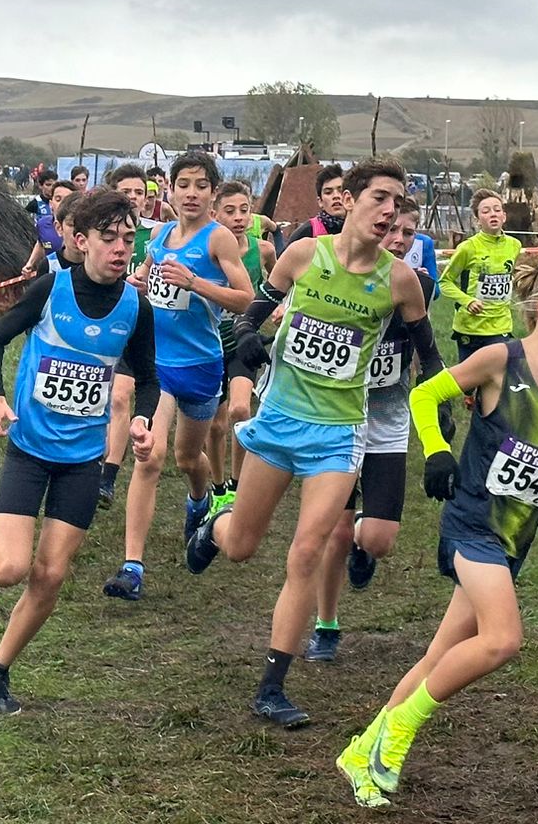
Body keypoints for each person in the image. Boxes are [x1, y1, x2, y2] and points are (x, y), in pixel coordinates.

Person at [335, 259, 538, 808]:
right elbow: (425, 396)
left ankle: (361, 750)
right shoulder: (499, 359)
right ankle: (397, 736)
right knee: (502, 640)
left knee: (440, 655)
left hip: (516, 534)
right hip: (472, 523)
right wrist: (438, 452)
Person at [185, 158, 442, 729]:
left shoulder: (401, 281)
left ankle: (272, 687)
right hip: (280, 422)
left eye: (397, 202)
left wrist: (441, 407)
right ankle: (215, 526)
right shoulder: (304, 255)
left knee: (306, 552)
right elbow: (255, 311)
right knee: (242, 546)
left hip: (339, 433)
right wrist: (247, 339)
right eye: (379, 198)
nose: (389, 211)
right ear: (349, 201)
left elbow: (428, 352)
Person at [0, 189, 159, 715]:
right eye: (109, 238)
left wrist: (142, 419)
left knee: (51, 575)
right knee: (7, 571)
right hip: (30, 450)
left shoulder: (136, 307)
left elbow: (150, 378)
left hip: (82, 461)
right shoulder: (51, 288)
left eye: (128, 239)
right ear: (81, 241)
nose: (120, 249)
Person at [101, 153, 255, 602]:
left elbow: (246, 299)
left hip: (202, 366)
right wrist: (137, 284)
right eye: (183, 184)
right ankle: (132, 566)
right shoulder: (161, 235)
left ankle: (199, 499)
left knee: (190, 459)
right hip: (159, 365)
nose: (191, 193)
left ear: (213, 192)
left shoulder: (218, 238)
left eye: (201, 185)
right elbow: (146, 278)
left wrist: (195, 283)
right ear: (168, 189)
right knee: (150, 456)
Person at [307, 196, 431, 663]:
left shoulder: (417, 284)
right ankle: (326, 625)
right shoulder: (337, 276)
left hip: (387, 420)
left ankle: (364, 538)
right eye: (391, 229)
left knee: (378, 540)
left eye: (407, 233)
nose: (397, 239)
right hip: (337, 418)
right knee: (334, 532)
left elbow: (425, 349)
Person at [210, 180, 276, 502]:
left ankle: (237, 485)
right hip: (209, 344)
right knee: (215, 424)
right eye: (230, 211)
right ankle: (217, 487)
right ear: (215, 214)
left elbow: (282, 283)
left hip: (242, 343)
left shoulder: (263, 250)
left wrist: (282, 307)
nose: (238, 217)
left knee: (239, 409)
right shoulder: (206, 249)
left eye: (244, 210)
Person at [98, 165, 157, 510]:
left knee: (121, 396)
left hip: (144, 327)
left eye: (139, 192)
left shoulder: (158, 235)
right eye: (126, 191)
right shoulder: (101, 233)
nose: (133, 197)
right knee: (105, 397)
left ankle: (107, 477)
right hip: (106, 325)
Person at [440, 190, 521, 363]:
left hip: (500, 325)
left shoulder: (514, 245)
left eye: (497, 210)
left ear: (504, 216)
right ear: (477, 220)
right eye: (486, 211)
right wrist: (467, 301)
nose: (493, 214)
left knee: (497, 375)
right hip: (470, 327)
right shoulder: (467, 248)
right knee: (468, 378)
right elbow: (445, 282)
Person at [282, 164, 350, 245]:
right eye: (328, 192)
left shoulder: (359, 229)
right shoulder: (306, 232)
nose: (336, 196)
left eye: (341, 190)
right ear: (320, 202)